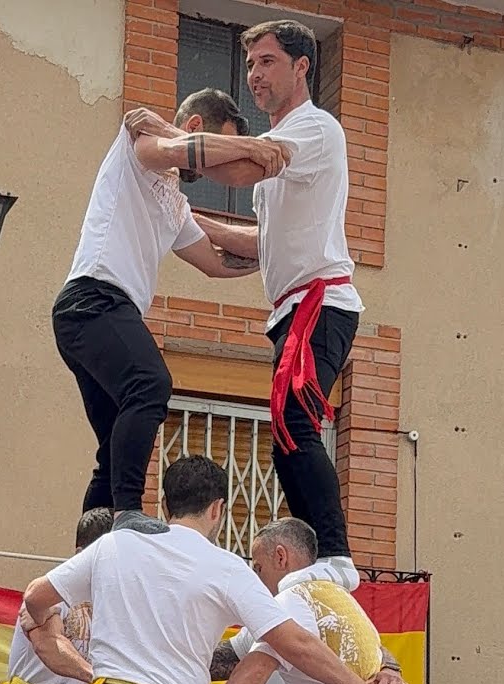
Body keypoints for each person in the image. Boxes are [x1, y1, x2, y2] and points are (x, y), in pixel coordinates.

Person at [129, 19, 364, 587]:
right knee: (286, 439)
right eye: (252, 63)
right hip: (292, 307)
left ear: (301, 67)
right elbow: (258, 244)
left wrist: (163, 140)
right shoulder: (286, 146)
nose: (255, 75)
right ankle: (318, 558)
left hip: (319, 301)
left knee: (296, 425)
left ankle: (336, 557)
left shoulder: (314, 129)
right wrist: (183, 217)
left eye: (266, 62)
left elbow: (240, 164)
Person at [53, 87, 291, 535]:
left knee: (112, 445)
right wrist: (254, 147)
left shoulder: (175, 204)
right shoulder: (141, 148)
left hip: (104, 311)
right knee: (151, 383)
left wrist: (288, 251)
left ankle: (92, 552)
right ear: (198, 128)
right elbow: (171, 144)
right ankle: (127, 514)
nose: (225, 172)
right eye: (223, 151)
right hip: (94, 299)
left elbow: (217, 262)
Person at [19, 455, 394, 684]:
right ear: (217, 509)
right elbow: (296, 644)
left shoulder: (116, 544)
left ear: (164, 504)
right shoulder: (227, 569)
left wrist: (47, 624)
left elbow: (36, 597)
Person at [208, 519, 412, 684]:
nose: (257, 580)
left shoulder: (289, 600)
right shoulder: (340, 599)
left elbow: (256, 669)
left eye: (259, 569)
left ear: (281, 557)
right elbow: (215, 661)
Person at [1, 508, 113, 684]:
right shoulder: (52, 589)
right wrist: (99, 679)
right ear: (81, 554)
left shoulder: (111, 600)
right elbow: (47, 644)